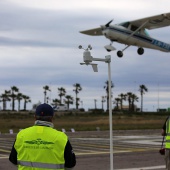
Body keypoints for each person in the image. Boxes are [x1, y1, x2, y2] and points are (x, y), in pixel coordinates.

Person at [9, 103, 76, 170]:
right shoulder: (62, 137)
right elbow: (71, 164)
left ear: (35, 117)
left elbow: (13, 160)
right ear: (52, 117)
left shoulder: (21, 135)